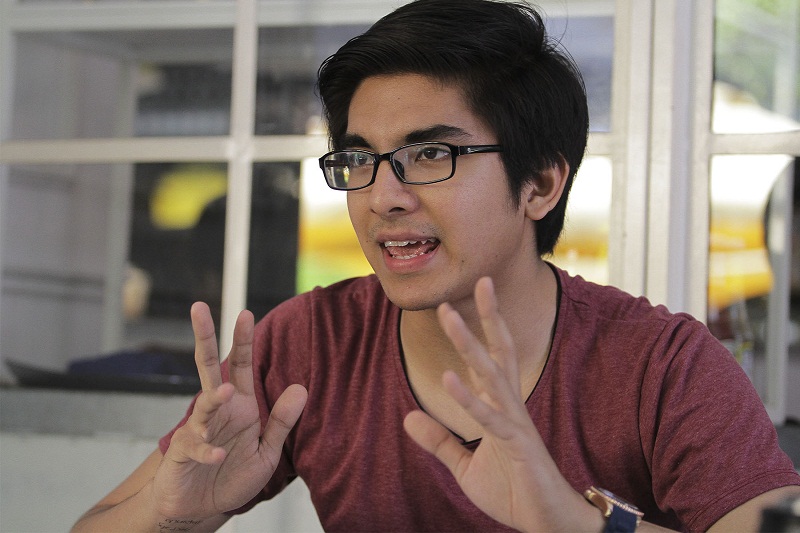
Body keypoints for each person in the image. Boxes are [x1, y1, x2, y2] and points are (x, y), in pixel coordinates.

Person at [72, 1, 800, 532]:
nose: (384, 196)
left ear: (541, 183)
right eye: (361, 159)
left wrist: (579, 525)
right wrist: (169, 520)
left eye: (430, 154)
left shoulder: (659, 366)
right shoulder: (313, 345)